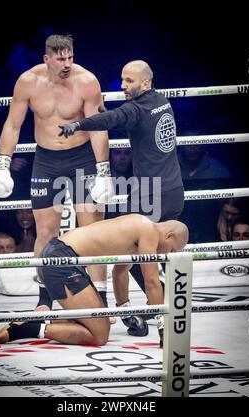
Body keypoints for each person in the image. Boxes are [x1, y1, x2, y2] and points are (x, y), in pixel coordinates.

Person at [0, 34, 114, 307]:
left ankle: (100, 299)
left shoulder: (87, 81)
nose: (67, 63)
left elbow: (97, 126)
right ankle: (44, 299)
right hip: (46, 159)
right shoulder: (28, 82)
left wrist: (104, 170)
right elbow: (12, 125)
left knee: (92, 230)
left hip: (82, 158)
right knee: (45, 232)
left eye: (70, 57)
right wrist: (3, 164)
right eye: (61, 59)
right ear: (47, 59)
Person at [59, 60, 184, 331]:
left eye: (129, 81)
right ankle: (149, 312)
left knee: (131, 261)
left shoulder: (135, 110)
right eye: (122, 79)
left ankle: (154, 317)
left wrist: (79, 124)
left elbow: (112, 118)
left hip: (149, 194)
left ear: (146, 83)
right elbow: (118, 114)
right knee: (157, 255)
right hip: (174, 190)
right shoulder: (162, 101)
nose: (123, 85)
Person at [0, 214, 189, 347]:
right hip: (61, 260)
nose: (169, 255)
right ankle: (28, 328)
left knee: (100, 323)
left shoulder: (139, 228)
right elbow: (151, 281)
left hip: (63, 258)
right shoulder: (149, 230)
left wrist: (126, 311)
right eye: (172, 250)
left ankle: (33, 321)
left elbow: (121, 273)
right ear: (169, 235)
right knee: (99, 335)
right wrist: (165, 326)